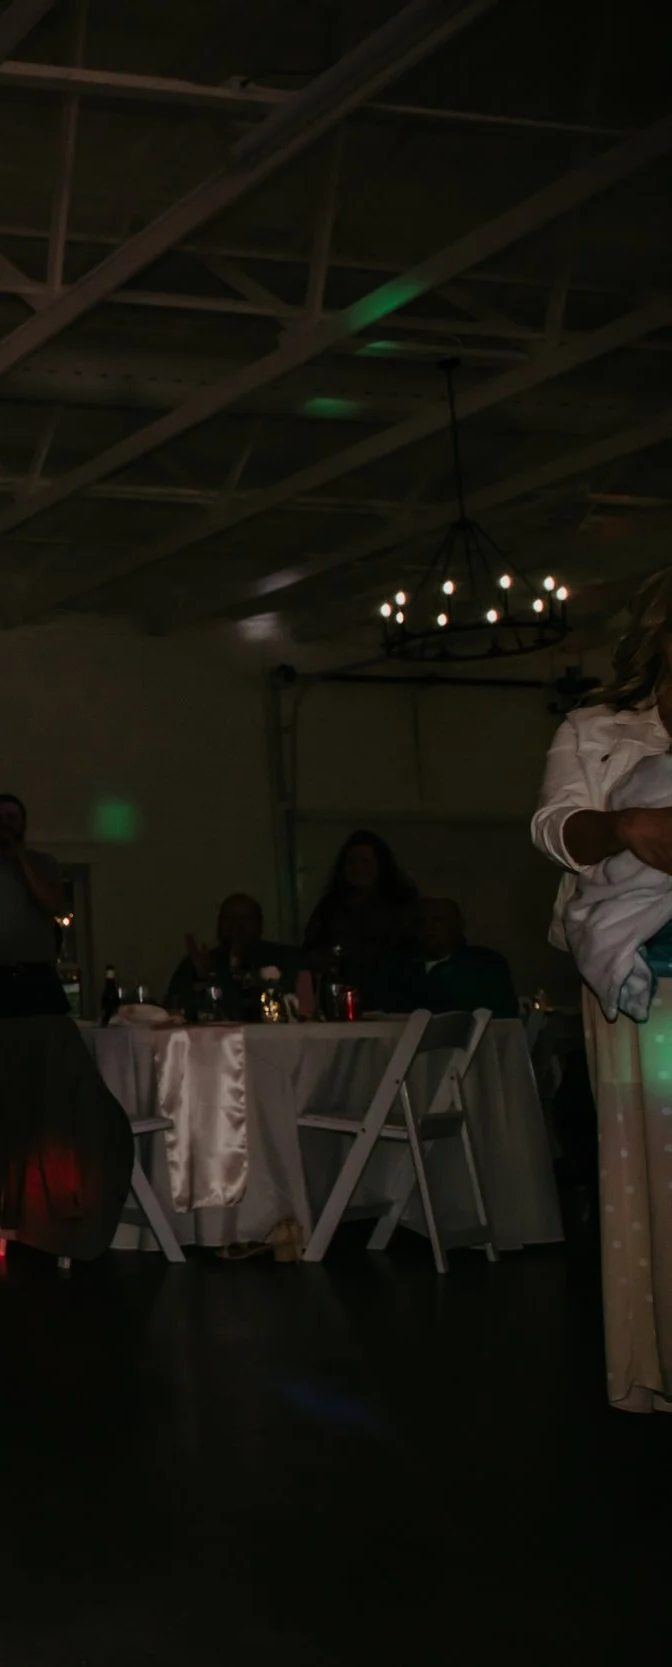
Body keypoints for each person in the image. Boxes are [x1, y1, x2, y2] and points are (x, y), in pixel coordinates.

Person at [532, 566, 672, 1412]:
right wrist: (624, 825)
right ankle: (657, 1359)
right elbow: (555, 829)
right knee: (654, 1181)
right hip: (639, 981)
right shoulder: (598, 727)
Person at [0, 794, 68, 1020]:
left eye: (11, 817)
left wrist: (21, 857)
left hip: (37, 977)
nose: (4, 823)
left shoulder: (44, 863)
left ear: (23, 823)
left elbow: (52, 904)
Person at [302, 829, 419, 1008]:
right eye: (351, 862)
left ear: (381, 865)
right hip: (340, 998)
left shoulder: (403, 905)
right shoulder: (330, 906)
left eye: (365, 861)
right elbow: (309, 950)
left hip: (393, 996)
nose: (358, 868)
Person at [162, 893, 305, 1018]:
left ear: (260, 923)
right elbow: (174, 1010)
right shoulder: (196, 964)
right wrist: (202, 981)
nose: (237, 925)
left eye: (246, 918)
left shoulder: (286, 958)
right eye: (229, 918)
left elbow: (298, 1006)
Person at [378, 897, 519, 1017]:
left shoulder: (484, 964)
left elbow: (503, 1015)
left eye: (437, 920)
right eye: (421, 921)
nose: (429, 927)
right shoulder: (396, 968)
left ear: (458, 925)